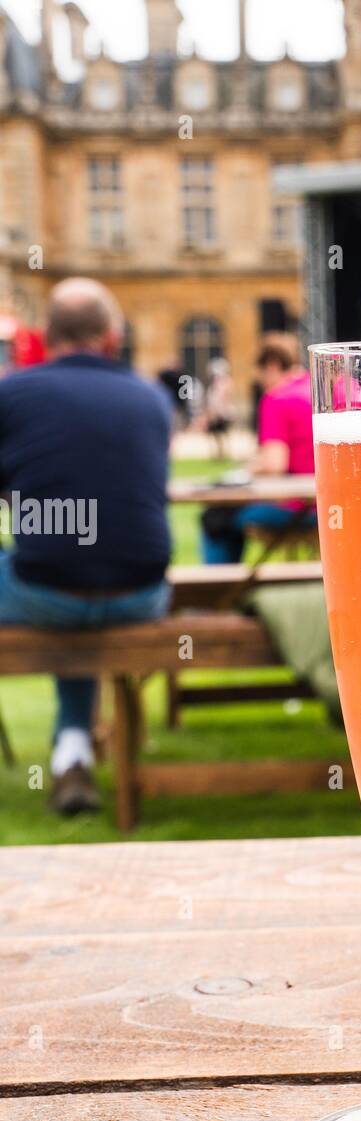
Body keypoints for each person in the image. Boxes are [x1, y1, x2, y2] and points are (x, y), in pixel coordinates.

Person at [0, 278, 171, 814]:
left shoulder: (12, 394)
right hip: (142, 594)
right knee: (76, 569)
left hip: (44, 590)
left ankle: (73, 748)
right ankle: (72, 747)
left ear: (46, 336)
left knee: (58, 569)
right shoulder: (152, 397)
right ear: (112, 339)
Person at [201, 333, 315, 565]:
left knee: (216, 517)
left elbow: (274, 464)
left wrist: (241, 473)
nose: (262, 381)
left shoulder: (277, 398)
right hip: (338, 506)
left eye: (261, 373)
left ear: (271, 365)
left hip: (297, 508)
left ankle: (220, 594)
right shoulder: (324, 389)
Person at [203, 357, 235, 460]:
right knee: (215, 434)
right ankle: (218, 454)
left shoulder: (225, 383)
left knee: (222, 434)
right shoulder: (213, 386)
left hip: (222, 413)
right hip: (215, 413)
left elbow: (226, 398)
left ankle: (223, 454)